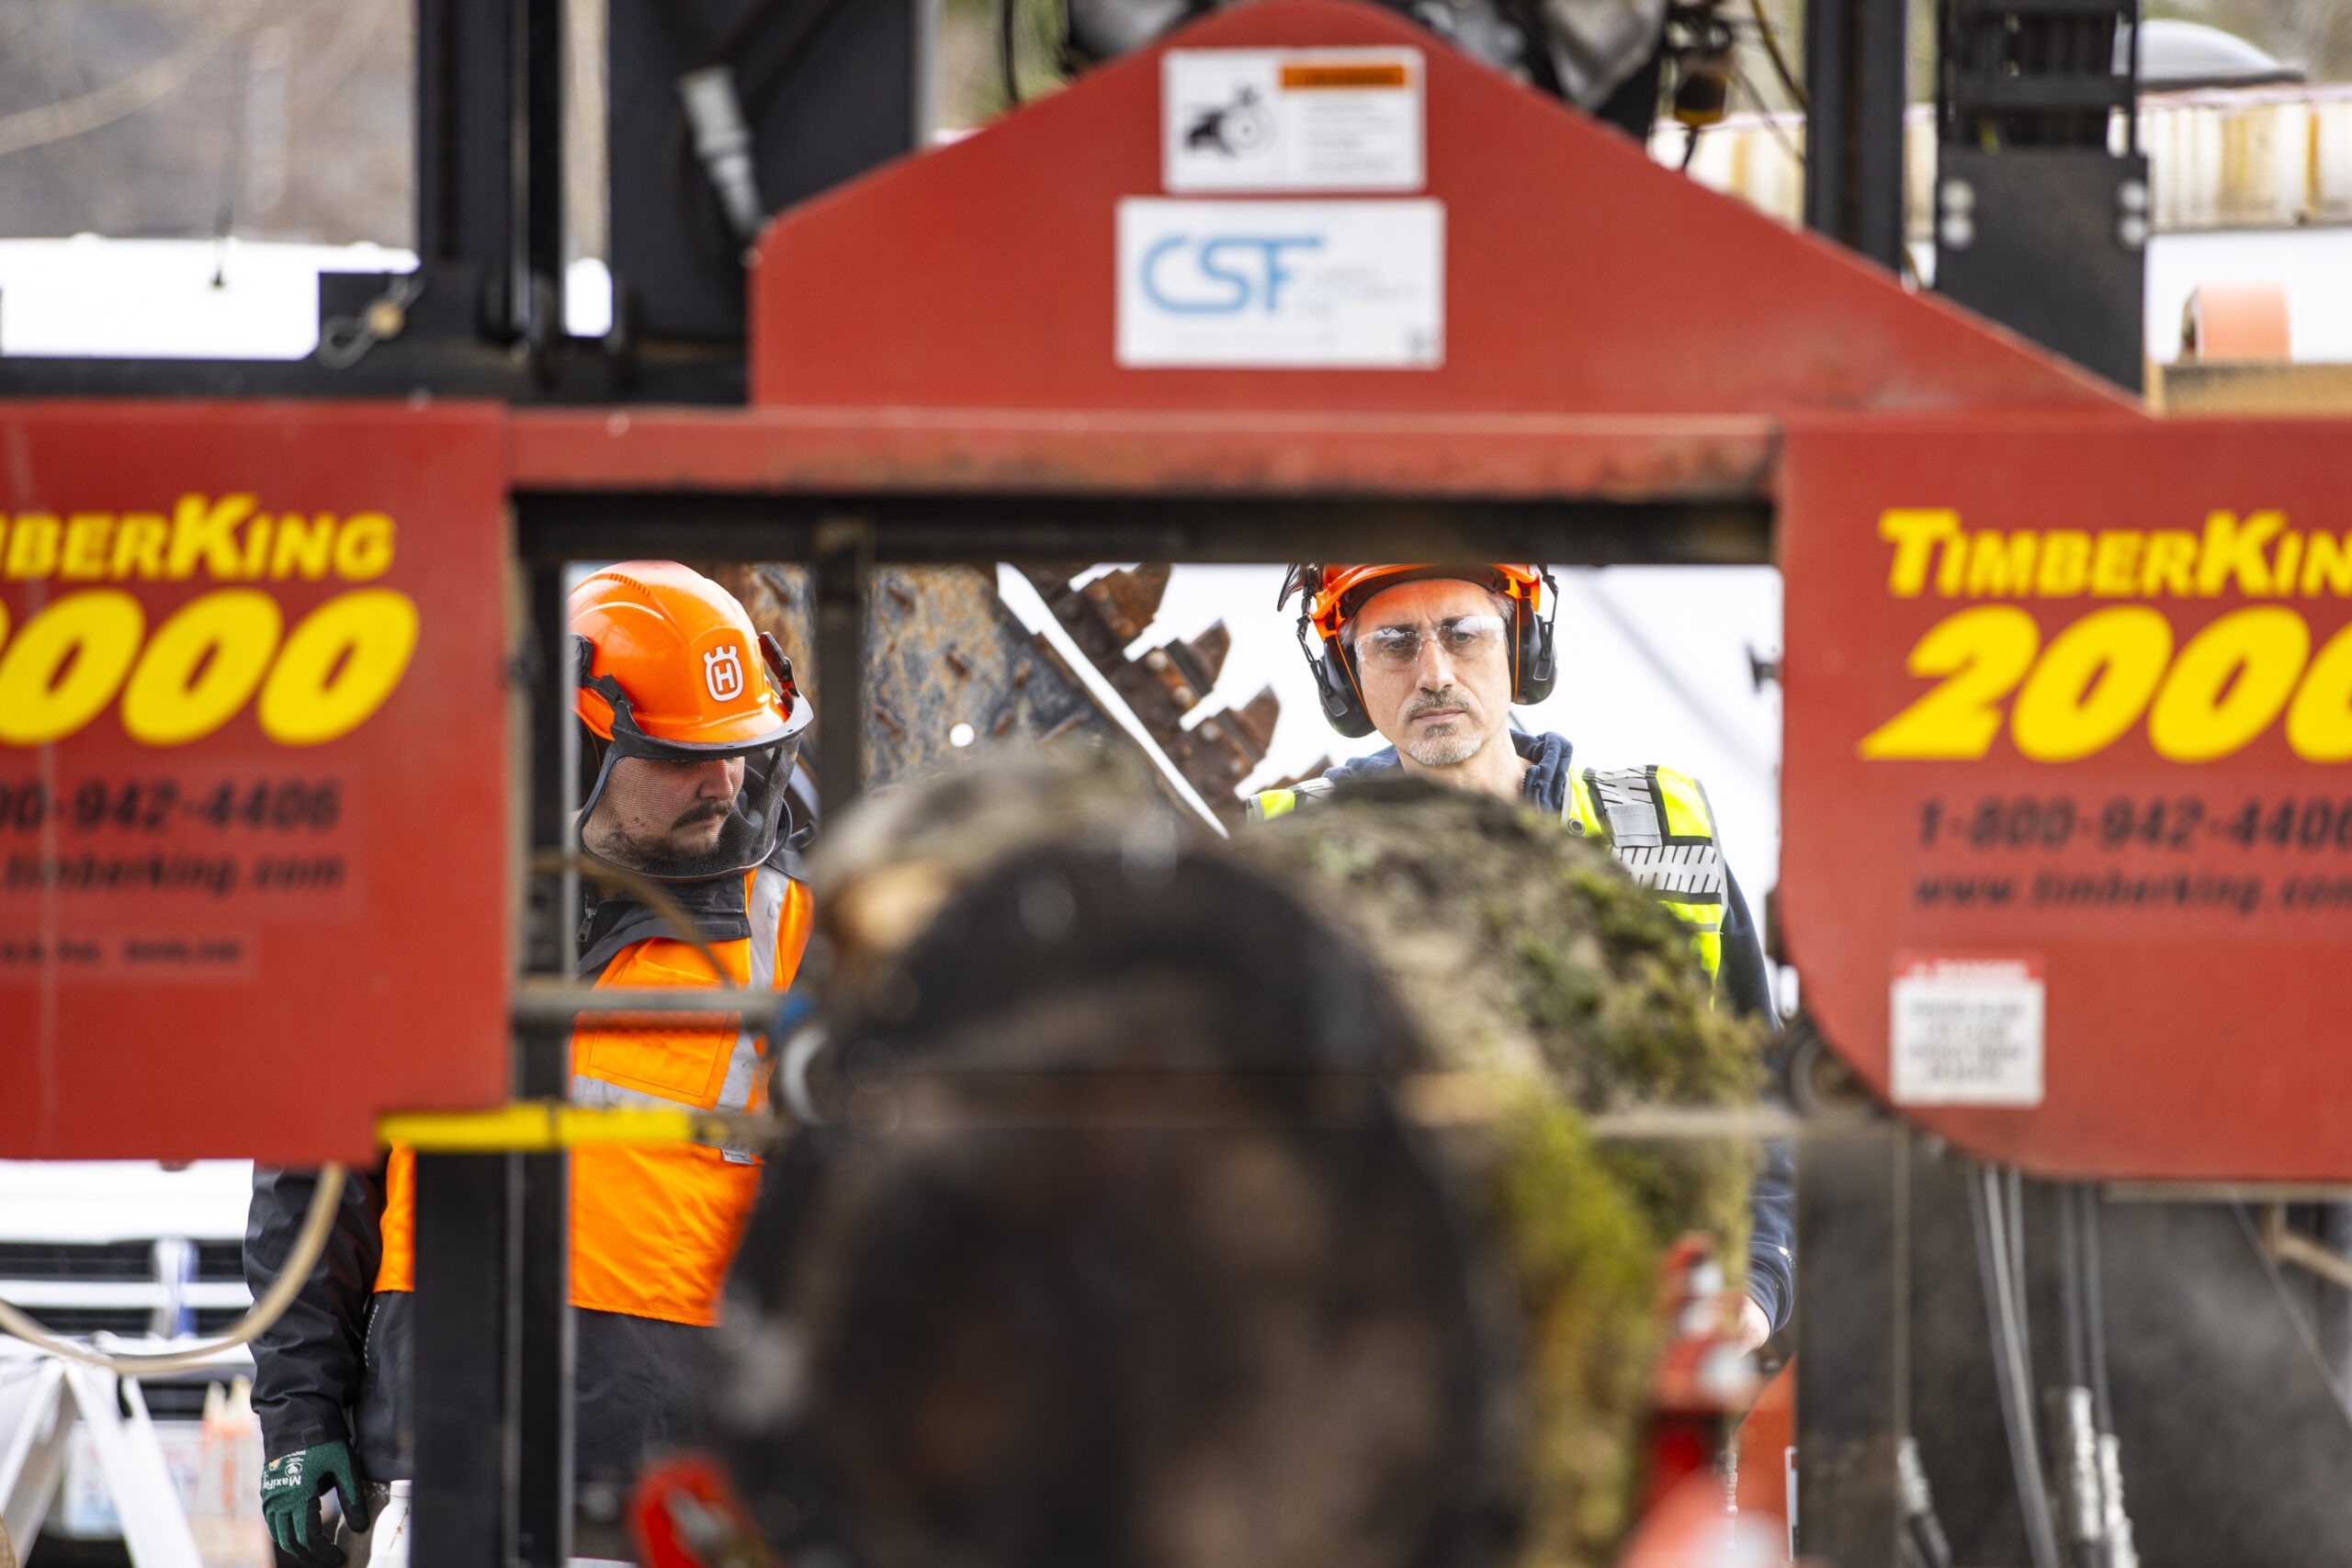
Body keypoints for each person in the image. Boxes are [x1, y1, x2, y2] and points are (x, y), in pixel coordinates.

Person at [245, 561, 817, 1565]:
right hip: (447, 1474)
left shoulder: (797, 944)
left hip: (676, 1503)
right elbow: (315, 1185)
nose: (724, 783)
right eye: (683, 755)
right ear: (578, 744)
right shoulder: (426, 925)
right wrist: (300, 1421)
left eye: (740, 753)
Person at [1250, 563, 1793, 1350]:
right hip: (1386, 1357)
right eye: (1394, 643)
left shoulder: (1658, 829)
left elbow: (1760, 1083)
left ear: (1520, 646)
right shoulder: (1291, 857)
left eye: (1462, 633)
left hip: (1634, 1339)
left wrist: (1763, 1277)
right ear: (1346, 674)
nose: (1433, 673)